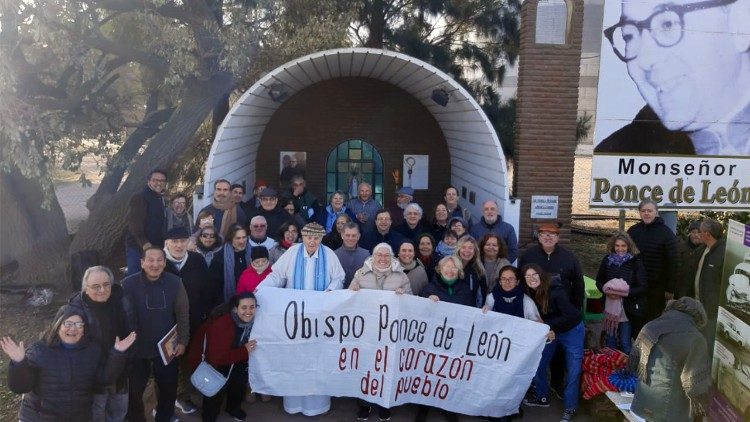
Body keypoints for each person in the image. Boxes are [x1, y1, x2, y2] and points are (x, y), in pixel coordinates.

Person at [595, 0, 750, 156]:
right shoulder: (615, 153)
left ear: (740, 23)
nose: (644, 60)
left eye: (667, 24)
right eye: (629, 35)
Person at [259, 222, 344, 416]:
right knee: (294, 360)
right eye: (308, 237)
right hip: (294, 319)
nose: (312, 241)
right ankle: (294, 403)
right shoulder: (292, 253)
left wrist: (329, 293)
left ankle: (317, 404)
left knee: (317, 361)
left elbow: (339, 278)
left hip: (319, 319)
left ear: (321, 238)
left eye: (316, 238)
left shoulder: (329, 254)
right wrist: (261, 290)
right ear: (302, 237)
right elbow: (276, 276)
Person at [1, 305, 135, 422]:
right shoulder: (39, 350)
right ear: (58, 326)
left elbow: (103, 380)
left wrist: (117, 353)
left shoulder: (92, 351)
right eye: (68, 323)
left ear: (84, 329)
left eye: (79, 324)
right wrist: (19, 363)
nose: (73, 329)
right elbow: (20, 388)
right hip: (39, 418)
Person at [121, 247, 190, 422]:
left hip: (167, 347)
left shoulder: (175, 282)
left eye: (160, 260)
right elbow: (121, 314)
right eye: (150, 260)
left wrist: (183, 340)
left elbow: (183, 313)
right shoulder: (128, 284)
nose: (155, 264)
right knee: (134, 390)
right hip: (137, 347)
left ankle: (164, 417)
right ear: (142, 263)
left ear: (165, 263)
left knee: (168, 387)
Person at [349, 243, 410, 421]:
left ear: (392, 258)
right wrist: (352, 291)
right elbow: (349, 298)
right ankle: (364, 404)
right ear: (373, 257)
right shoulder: (361, 274)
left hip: (390, 333)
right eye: (379, 255)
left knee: (387, 368)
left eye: (387, 255)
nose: (383, 259)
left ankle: (384, 404)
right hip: (366, 332)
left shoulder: (401, 276)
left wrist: (404, 296)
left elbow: (412, 302)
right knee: (366, 367)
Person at [628, 297, 711, 421]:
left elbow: (633, 364)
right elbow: (695, 385)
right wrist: (703, 409)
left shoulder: (650, 326)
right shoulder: (696, 339)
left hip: (641, 405)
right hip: (670, 414)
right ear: (699, 318)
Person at [68, 266, 133, 422]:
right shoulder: (74, 310)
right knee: (95, 414)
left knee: (119, 412)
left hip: (120, 371)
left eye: (106, 284)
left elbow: (132, 330)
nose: (102, 290)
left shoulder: (122, 300)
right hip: (93, 375)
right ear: (86, 288)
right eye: (96, 286)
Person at [417, 255, 476, 422]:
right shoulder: (429, 289)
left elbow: (472, 314)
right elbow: (417, 314)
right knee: (428, 373)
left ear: (459, 271)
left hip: (456, 341)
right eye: (446, 267)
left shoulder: (466, 291)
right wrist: (426, 302)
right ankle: (423, 407)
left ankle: (448, 406)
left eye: (454, 268)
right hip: (432, 340)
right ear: (439, 269)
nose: (450, 271)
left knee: (450, 374)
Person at [522, 264, 584, 422]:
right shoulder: (529, 292)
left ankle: (570, 408)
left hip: (572, 330)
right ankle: (542, 396)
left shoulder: (556, 291)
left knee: (573, 368)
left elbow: (570, 315)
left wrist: (546, 323)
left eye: (534, 275)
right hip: (551, 330)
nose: (531, 279)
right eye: (527, 276)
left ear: (540, 275)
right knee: (538, 363)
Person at [163, 227, 213, 415]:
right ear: (167, 243)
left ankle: (185, 396)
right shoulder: (159, 261)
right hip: (166, 324)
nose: (179, 245)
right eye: (174, 241)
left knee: (190, 359)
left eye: (182, 241)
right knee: (167, 365)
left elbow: (207, 289)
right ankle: (165, 401)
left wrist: (206, 314)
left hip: (193, 320)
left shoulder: (196, 260)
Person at [188, 292, 259, 422]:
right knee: (215, 387)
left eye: (252, 307)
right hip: (213, 360)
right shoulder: (223, 324)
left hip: (236, 354)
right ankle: (209, 415)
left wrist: (243, 352)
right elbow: (218, 358)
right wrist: (245, 350)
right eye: (244, 307)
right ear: (235, 308)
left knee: (238, 382)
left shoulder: (254, 319)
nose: (248, 311)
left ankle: (233, 408)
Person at [626, 200, 680, 332]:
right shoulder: (633, 231)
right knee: (633, 318)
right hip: (635, 285)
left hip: (656, 287)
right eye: (643, 211)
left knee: (651, 320)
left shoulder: (666, 233)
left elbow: (674, 262)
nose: (646, 214)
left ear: (656, 212)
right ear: (639, 213)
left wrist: (670, 288)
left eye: (649, 211)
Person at [595, 231, 647, 354]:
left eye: (623, 246)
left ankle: (625, 369)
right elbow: (599, 281)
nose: (620, 249)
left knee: (625, 342)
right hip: (610, 308)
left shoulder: (635, 262)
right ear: (613, 246)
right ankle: (610, 368)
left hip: (627, 309)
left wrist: (624, 293)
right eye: (617, 246)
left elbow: (642, 286)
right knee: (610, 341)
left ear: (628, 246)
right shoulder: (607, 260)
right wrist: (606, 290)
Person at [680, 218, 726, 352]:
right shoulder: (701, 249)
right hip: (695, 305)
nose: (697, 235)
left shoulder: (723, 253)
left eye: (700, 232)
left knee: (707, 343)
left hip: (710, 311)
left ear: (707, 234)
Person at [519, 223, 585, 310]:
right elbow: (521, 280)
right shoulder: (528, 256)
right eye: (543, 234)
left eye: (552, 234)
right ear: (539, 237)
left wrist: (576, 306)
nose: (548, 237)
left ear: (558, 238)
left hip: (562, 307)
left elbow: (578, 283)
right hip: (535, 306)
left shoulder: (569, 257)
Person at [125, 169, 168, 275]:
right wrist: (145, 244)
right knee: (136, 277)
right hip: (139, 247)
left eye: (162, 181)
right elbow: (134, 224)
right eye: (155, 180)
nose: (159, 183)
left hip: (155, 246)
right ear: (148, 181)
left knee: (153, 276)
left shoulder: (160, 198)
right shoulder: (139, 197)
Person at [209, 224, 252, 305]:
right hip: (227, 303)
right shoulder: (219, 258)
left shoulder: (253, 253)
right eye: (238, 238)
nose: (242, 241)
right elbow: (214, 286)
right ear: (230, 239)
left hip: (250, 300)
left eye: (244, 237)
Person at [334, 222, 370, 289]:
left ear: (358, 236)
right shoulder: (334, 255)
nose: (350, 238)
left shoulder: (366, 255)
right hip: (339, 295)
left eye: (354, 235)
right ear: (342, 235)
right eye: (347, 235)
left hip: (360, 294)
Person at [454, 235, 487, 308]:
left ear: (475, 251)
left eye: (470, 248)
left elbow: (483, 293)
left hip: (470, 311)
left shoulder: (479, 269)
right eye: (463, 247)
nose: (467, 251)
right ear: (458, 249)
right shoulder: (451, 265)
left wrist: (483, 307)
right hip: (452, 308)